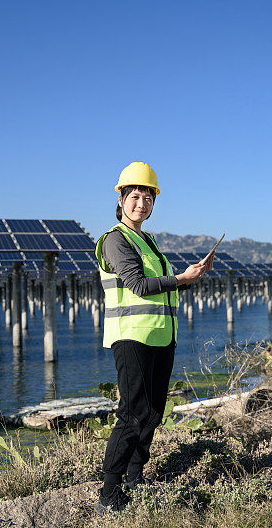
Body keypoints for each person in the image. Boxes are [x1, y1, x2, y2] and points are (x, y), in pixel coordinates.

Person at [93, 161, 213, 514]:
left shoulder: (150, 242)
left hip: (161, 336)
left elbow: (162, 292)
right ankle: (109, 492)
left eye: (147, 197)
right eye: (135, 195)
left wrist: (187, 281)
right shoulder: (116, 240)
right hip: (131, 338)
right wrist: (181, 278)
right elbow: (138, 285)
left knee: (154, 413)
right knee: (133, 413)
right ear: (121, 198)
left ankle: (135, 475)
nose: (141, 203)